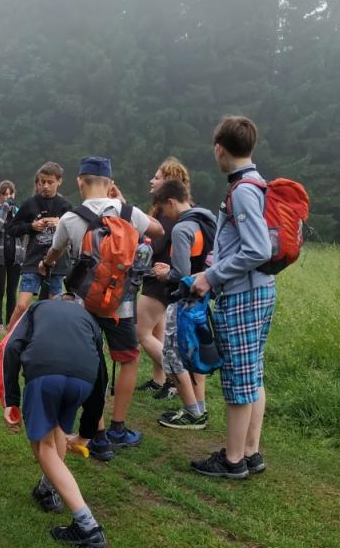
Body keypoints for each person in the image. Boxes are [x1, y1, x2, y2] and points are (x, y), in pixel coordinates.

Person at [40, 156, 163, 455]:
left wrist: (45, 264)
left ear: (80, 182)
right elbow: (158, 230)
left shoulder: (71, 218)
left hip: (85, 305)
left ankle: (98, 432)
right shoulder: (128, 213)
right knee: (128, 360)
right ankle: (119, 427)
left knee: (91, 362)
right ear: (110, 184)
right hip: (122, 306)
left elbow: (54, 253)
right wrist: (124, 202)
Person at [189, 116, 274, 479]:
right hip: (260, 289)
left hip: (243, 294)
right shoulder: (256, 182)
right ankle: (251, 452)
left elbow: (257, 249)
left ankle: (234, 460)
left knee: (239, 377)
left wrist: (211, 276)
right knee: (253, 372)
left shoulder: (242, 190)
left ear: (219, 149)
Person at [1, 293, 109, 548]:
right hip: (83, 380)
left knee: (44, 447)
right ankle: (47, 490)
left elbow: (11, 347)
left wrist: (10, 400)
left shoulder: (38, 307)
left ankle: (88, 527)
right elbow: (101, 378)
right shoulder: (89, 320)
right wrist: (86, 433)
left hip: (45, 373)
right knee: (57, 428)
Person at [150, 179, 217, 430]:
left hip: (183, 300)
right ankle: (199, 406)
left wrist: (163, 274)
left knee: (172, 355)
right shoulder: (207, 219)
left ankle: (192, 412)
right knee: (193, 352)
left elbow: (181, 273)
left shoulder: (181, 229)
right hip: (203, 299)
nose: (164, 216)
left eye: (163, 209)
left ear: (170, 202)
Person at [137, 157, 192, 400]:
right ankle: (159, 380)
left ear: (169, 182)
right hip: (159, 279)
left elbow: (156, 245)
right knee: (157, 332)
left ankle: (178, 378)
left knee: (141, 332)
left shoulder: (170, 216)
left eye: (157, 177)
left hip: (160, 280)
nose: (152, 180)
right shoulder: (164, 211)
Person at [5, 162, 72, 331]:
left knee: (53, 309)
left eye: (50, 182)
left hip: (57, 263)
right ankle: (8, 340)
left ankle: (45, 340)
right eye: (42, 182)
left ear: (59, 181)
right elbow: (11, 229)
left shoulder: (65, 206)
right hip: (33, 261)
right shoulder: (30, 203)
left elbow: (75, 233)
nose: (45, 186)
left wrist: (60, 223)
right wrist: (31, 226)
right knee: (21, 305)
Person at [0, 180, 24, 334]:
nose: (7, 197)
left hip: (15, 256)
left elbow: (22, 232)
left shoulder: (18, 211)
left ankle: (10, 323)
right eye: (4, 194)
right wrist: (5, 208)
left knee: (12, 291)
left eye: (10, 194)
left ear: (14, 194)